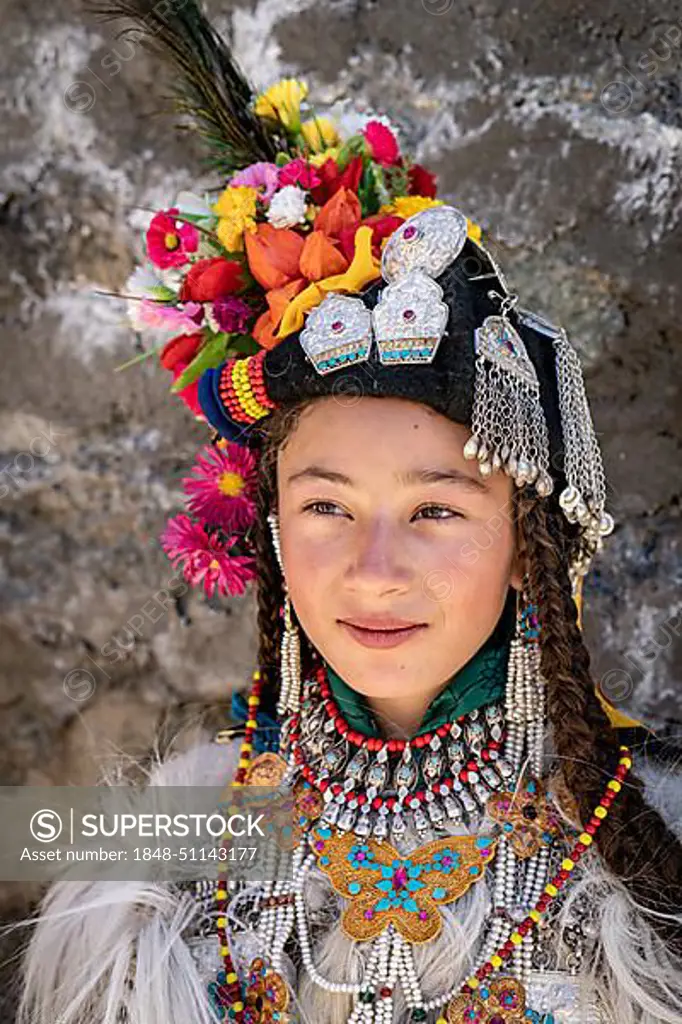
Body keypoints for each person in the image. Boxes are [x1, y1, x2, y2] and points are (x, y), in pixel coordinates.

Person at [14, 2, 682, 1022]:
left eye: (435, 511)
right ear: (272, 527)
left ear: (526, 543)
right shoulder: (151, 842)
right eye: (326, 504)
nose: (373, 567)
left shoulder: (643, 847)